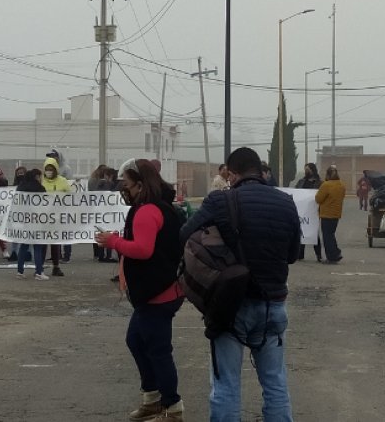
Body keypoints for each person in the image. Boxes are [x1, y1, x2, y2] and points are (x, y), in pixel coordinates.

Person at [179, 147, 300, 422]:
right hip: (274, 304)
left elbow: (185, 234)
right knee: (275, 383)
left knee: (226, 385)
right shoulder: (286, 202)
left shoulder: (220, 201)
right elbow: (293, 255)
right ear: (259, 171)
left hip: (232, 305)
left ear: (232, 174)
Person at [95, 159, 185, 422]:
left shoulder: (147, 210)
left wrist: (114, 242)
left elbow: (143, 250)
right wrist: (120, 242)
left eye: (126, 181)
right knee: (136, 340)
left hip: (158, 292)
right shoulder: (159, 208)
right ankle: (153, 399)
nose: (123, 186)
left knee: (158, 350)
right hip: (157, 290)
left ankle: (172, 407)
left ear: (140, 184)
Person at [14, 169, 49, 280]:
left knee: (24, 246)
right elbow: (45, 205)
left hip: (25, 220)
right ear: (36, 177)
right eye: (40, 177)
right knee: (37, 246)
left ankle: (20, 271)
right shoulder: (40, 189)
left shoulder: (20, 188)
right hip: (37, 220)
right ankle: (39, 272)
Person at [42, 157, 69, 276]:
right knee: (42, 243)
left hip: (57, 217)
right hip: (42, 218)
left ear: (55, 169)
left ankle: (56, 266)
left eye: (51, 169)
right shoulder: (41, 181)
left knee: (55, 243)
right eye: (47, 169)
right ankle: (40, 267)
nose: (49, 171)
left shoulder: (62, 181)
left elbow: (70, 198)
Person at [315, 166, 347, 264]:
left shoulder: (326, 185)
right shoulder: (341, 185)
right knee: (331, 234)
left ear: (327, 174)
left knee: (327, 236)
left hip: (326, 214)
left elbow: (318, 199)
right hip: (336, 214)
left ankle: (332, 256)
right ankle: (336, 253)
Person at [295, 163, 322, 262]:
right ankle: (300, 254)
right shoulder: (301, 181)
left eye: (308, 169)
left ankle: (319, 255)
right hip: (302, 210)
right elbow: (296, 192)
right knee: (302, 231)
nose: (306, 171)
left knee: (314, 233)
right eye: (305, 169)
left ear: (312, 170)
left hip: (313, 210)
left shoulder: (319, 183)